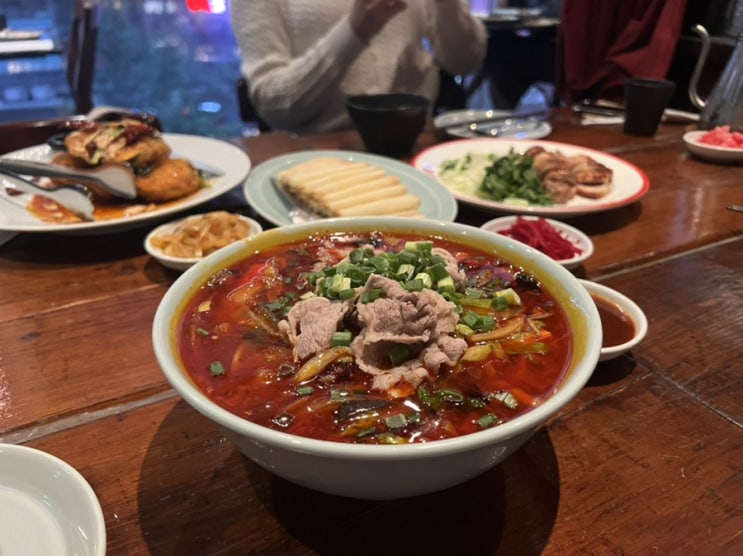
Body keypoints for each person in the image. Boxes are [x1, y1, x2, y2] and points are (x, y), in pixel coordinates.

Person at [230, 0, 487, 134]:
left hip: (419, 145)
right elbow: (275, 106)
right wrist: (355, 30)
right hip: (314, 153)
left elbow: (465, 63)